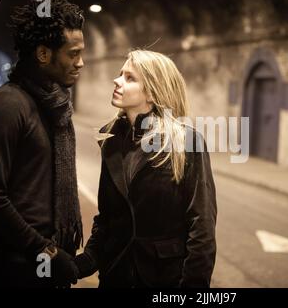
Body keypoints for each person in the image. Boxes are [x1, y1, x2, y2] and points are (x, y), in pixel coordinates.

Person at [74, 50, 217, 288]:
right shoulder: (110, 139)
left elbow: (201, 227)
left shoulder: (186, 142)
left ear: (152, 92)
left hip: (163, 280)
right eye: (120, 74)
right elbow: (108, 219)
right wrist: (86, 261)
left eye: (130, 78)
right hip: (115, 277)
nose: (117, 81)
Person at [0, 0, 85, 288]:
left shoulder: (54, 106)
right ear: (44, 54)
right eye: (73, 54)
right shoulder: (10, 105)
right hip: (15, 264)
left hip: (44, 259)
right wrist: (43, 250)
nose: (81, 63)